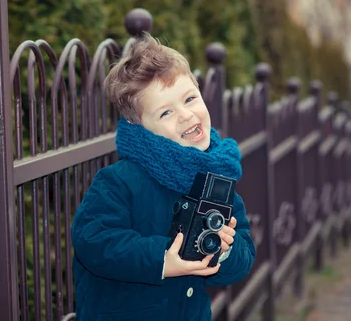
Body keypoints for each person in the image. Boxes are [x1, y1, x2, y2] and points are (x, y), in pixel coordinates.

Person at [71, 34, 256, 320]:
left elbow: (244, 256)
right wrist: (161, 259)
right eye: (166, 111)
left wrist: (223, 250)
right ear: (141, 127)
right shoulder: (119, 182)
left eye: (190, 99)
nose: (185, 115)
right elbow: (93, 240)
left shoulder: (217, 178)